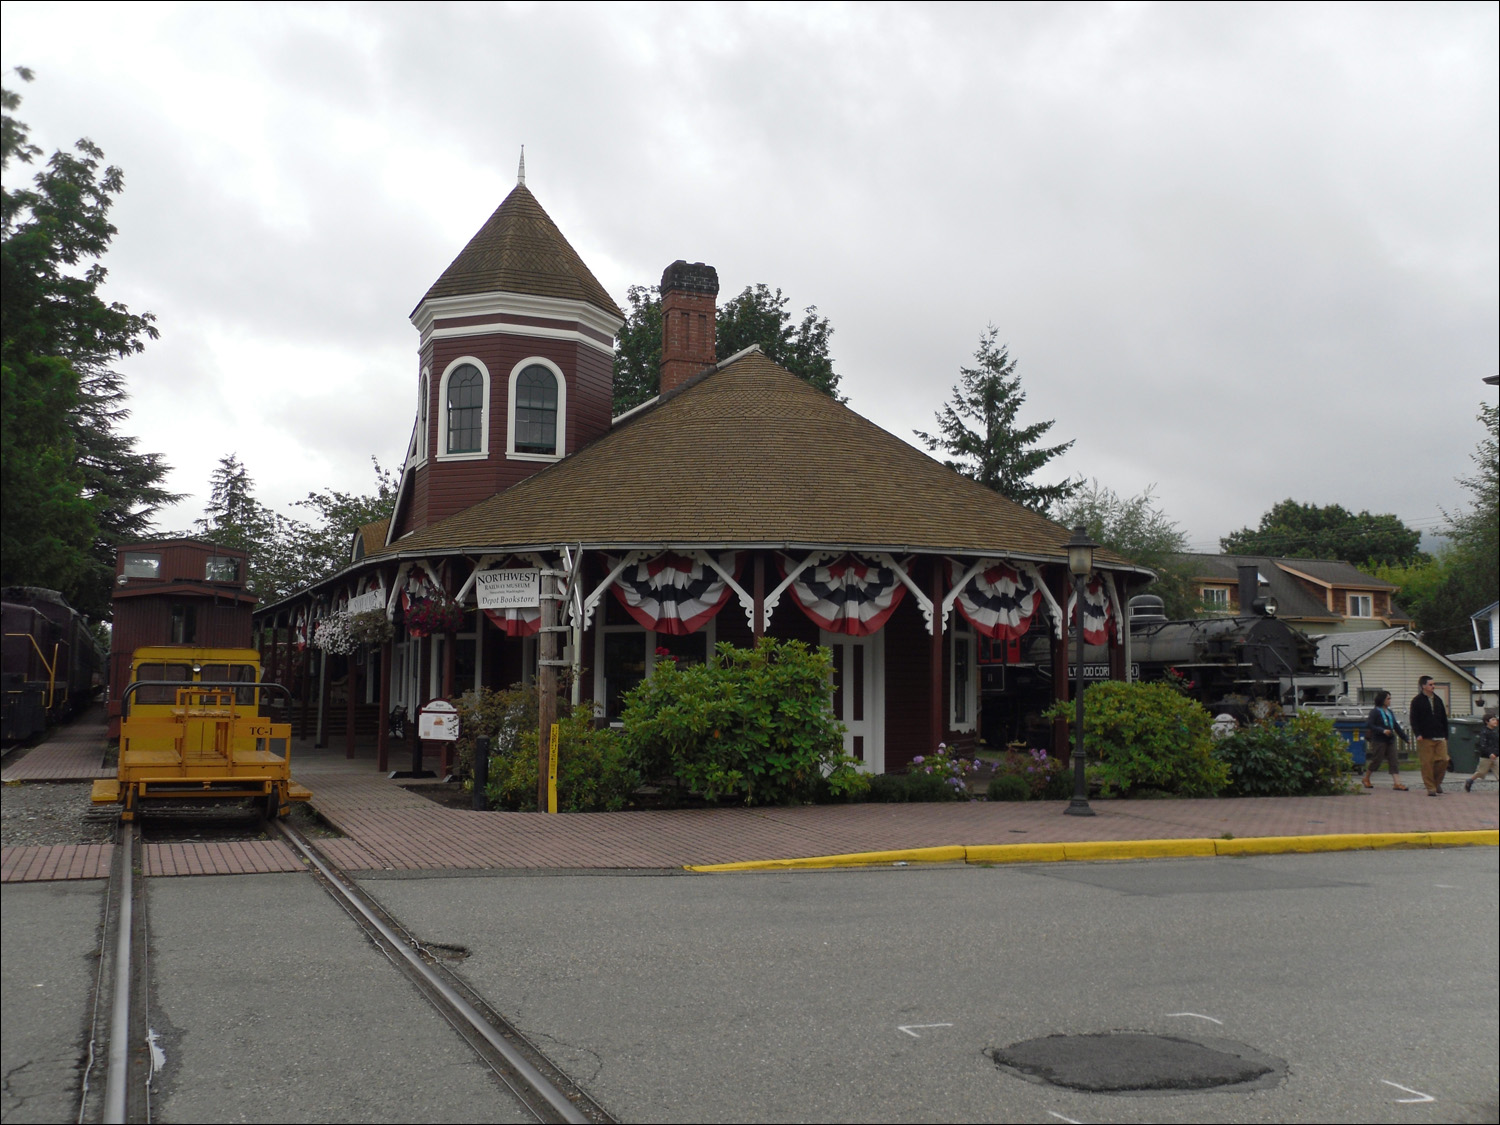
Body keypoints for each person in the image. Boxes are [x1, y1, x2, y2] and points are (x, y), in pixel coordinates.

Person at [1409, 676, 1450, 796]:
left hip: (1439, 735)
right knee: (1427, 763)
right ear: (1423, 686)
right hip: (1425, 736)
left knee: (1444, 759)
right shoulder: (1417, 701)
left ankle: (1437, 783)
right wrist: (1418, 734)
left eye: (1434, 684)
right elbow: (1414, 719)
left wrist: (1445, 734)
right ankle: (1430, 787)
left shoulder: (1437, 700)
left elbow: (1443, 718)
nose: (1433, 686)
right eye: (1430, 684)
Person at [1362, 690, 1408, 790]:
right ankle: (1366, 778)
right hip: (1379, 739)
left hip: (1390, 739)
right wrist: (1382, 730)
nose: (1390, 701)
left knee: (1394, 760)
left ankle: (1397, 783)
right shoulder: (1375, 712)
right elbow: (1369, 724)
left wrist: (1404, 737)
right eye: (1388, 699)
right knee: (1377, 760)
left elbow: (1395, 726)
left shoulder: (1390, 712)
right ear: (1382, 700)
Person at [1465, 710, 1498, 792]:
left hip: (1496, 756)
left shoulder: (1496, 732)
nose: (1495, 721)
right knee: (1481, 772)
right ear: (1487, 722)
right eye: (1493, 720)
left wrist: (1496, 753)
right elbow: (1482, 745)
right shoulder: (1484, 732)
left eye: (1495, 719)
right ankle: (1470, 780)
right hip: (1486, 757)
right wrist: (1489, 753)